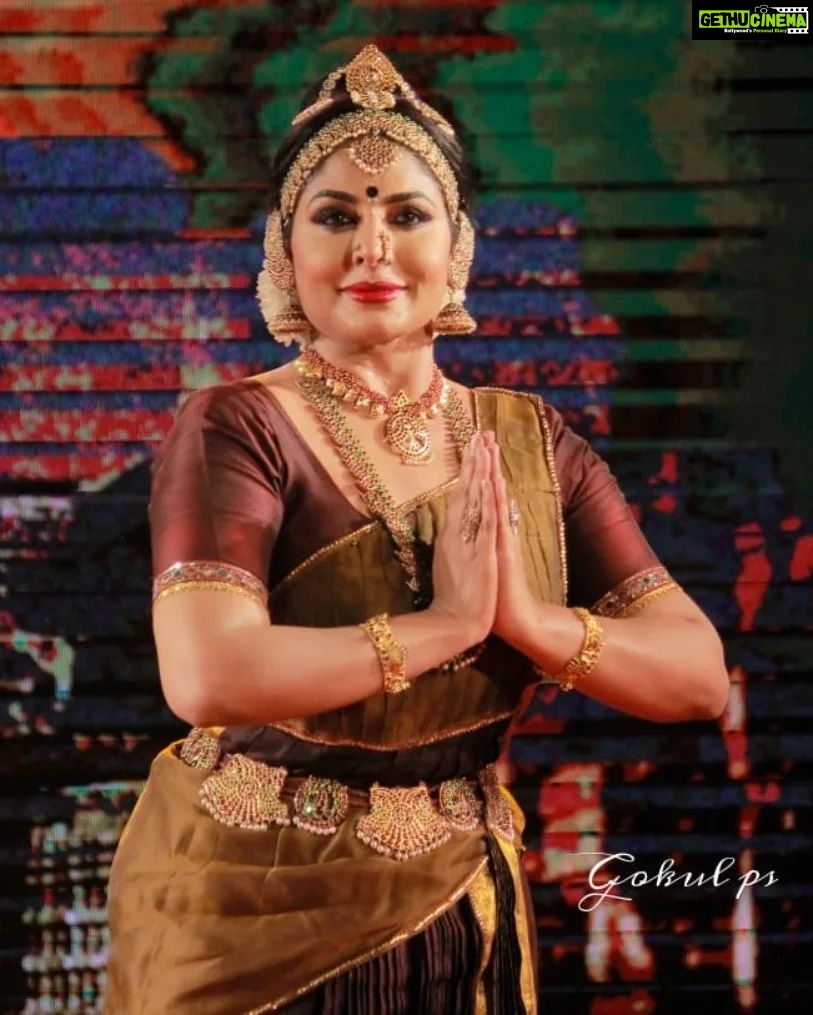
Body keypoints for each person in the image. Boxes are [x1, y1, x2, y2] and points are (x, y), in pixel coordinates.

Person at [103, 44, 730, 1015]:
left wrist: (530, 621)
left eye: (406, 214)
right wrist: (441, 627)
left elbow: (696, 674)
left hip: (460, 905)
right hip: (246, 905)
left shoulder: (531, 440)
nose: (372, 248)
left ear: (459, 248)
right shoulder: (236, 425)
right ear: (283, 250)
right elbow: (206, 673)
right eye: (335, 217)